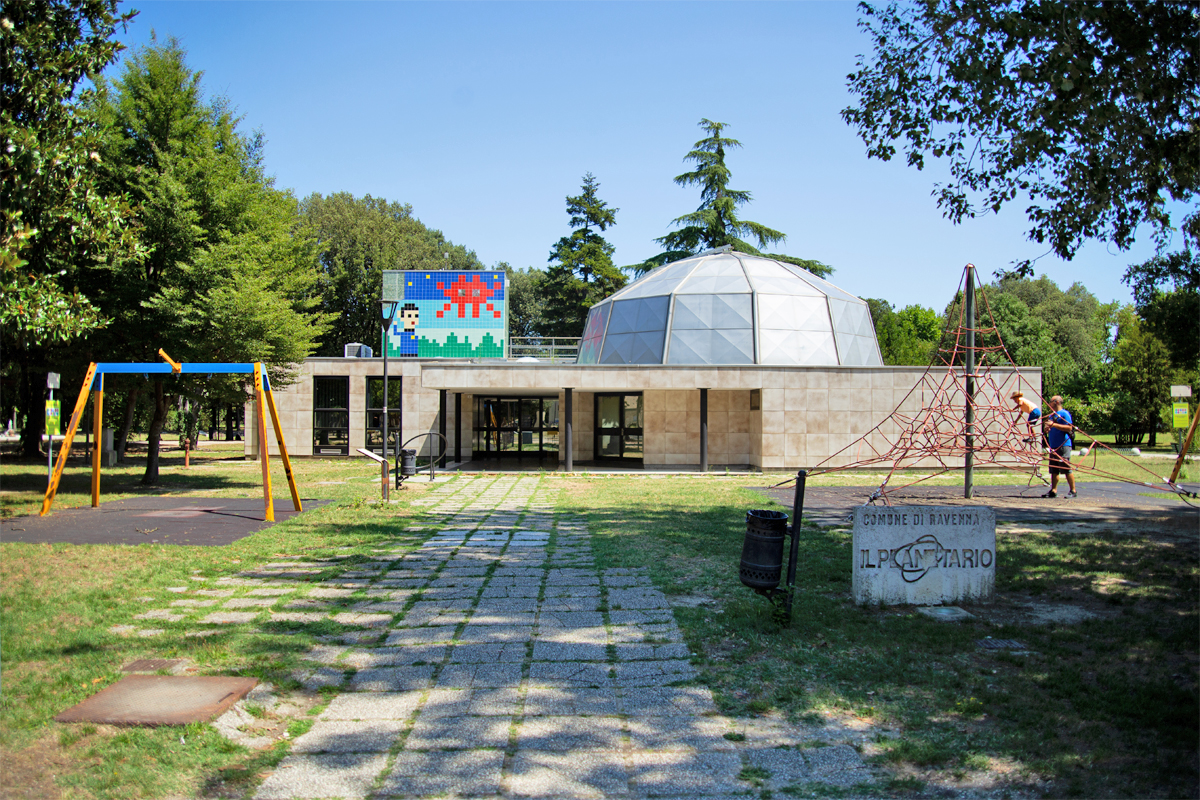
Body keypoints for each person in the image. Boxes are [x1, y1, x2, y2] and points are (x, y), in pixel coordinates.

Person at [1042, 395, 1077, 498]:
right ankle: (1053, 490)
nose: (1049, 403)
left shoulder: (1064, 414)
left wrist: (1053, 425)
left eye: (1051, 401)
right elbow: (1050, 428)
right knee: (1053, 469)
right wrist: (1047, 429)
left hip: (1063, 445)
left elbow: (1069, 427)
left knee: (1066, 468)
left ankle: (1073, 491)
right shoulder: (1051, 415)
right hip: (1053, 446)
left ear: (1056, 402)